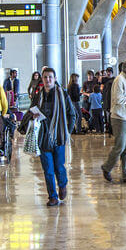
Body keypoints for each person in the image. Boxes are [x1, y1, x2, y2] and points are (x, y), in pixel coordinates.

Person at [26, 67, 77, 206]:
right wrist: (33, 115)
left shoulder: (63, 95)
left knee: (59, 166)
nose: (48, 80)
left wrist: (67, 131)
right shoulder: (38, 95)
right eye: (45, 77)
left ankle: (62, 184)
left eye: (50, 77)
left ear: (54, 79)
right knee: (48, 169)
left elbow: (72, 115)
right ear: (42, 79)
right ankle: (52, 196)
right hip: (43, 136)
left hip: (59, 136)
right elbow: (30, 110)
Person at [102, 59, 126, 183]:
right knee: (120, 145)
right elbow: (118, 99)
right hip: (120, 117)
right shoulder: (119, 80)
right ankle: (107, 167)